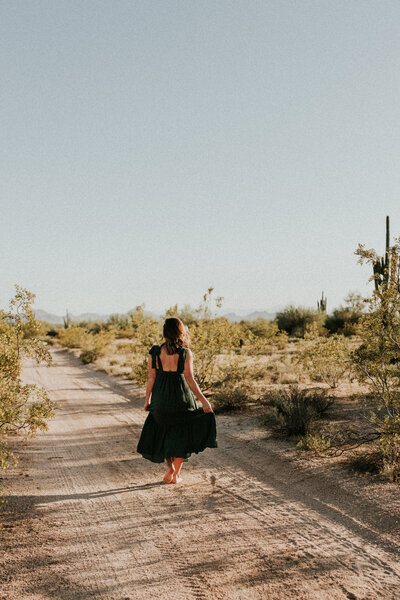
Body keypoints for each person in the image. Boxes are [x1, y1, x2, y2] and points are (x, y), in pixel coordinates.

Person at [136, 317, 217, 484]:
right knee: (181, 435)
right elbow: (190, 379)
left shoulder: (155, 352)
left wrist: (147, 400)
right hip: (182, 398)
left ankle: (170, 469)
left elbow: (151, 378)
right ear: (181, 332)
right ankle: (176, 475)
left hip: (161, 399)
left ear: (165, 333)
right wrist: (204, 401)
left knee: (163, 432)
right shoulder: (185, 353)